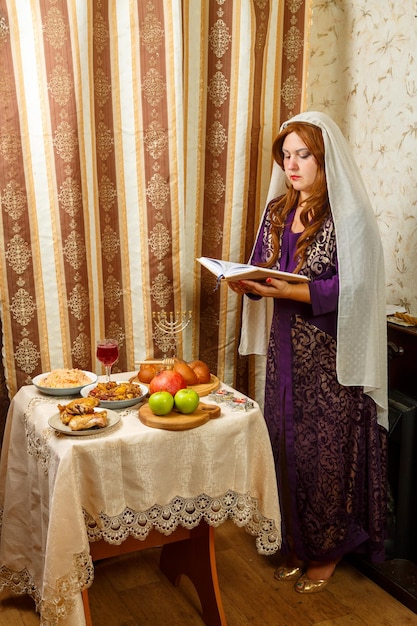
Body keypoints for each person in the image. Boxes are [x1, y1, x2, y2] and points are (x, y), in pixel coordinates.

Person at [230, 111, 388, 594]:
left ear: (323, 158)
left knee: (325, 452)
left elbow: (357, 288)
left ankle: (328, 551)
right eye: (287, 154)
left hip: (329, 355)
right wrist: (246, 281)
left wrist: (289, 292)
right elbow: (264, 269)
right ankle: (297, 542)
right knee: (284, 443)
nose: (292, 164)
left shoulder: (350, 215)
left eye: (304, 155)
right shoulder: (278, 209)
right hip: (283, 350)